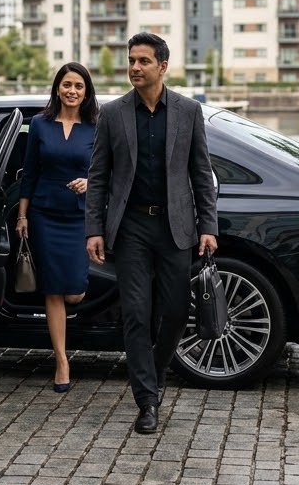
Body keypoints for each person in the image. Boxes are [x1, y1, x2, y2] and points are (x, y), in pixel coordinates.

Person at [85, 33, 218, 435]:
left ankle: (156, 372)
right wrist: (95, 229)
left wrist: (208, 226)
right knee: (136, 315)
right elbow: (98, 176)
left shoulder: (188, 111)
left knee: (176, 312)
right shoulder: (112, 114)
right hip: (131, 228)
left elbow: (201, 173)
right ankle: (146, 399)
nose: (134, 68)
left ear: (163, 66)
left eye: (143, 61)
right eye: (131, 60)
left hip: (176, 227)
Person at [16, 62, 98, 392]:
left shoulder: (96, 127)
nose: (72, 91)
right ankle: (61, 360)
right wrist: (22, 216)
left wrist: (91, 183)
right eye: (67, 84)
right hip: (44, 213)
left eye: (79, 86)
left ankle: (63, 351)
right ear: (58, 88)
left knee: (75, 291)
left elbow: (111, 171)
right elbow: (29, 172)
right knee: (53, 290)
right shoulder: (40, 124)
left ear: (86, 92)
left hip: (79, 216)